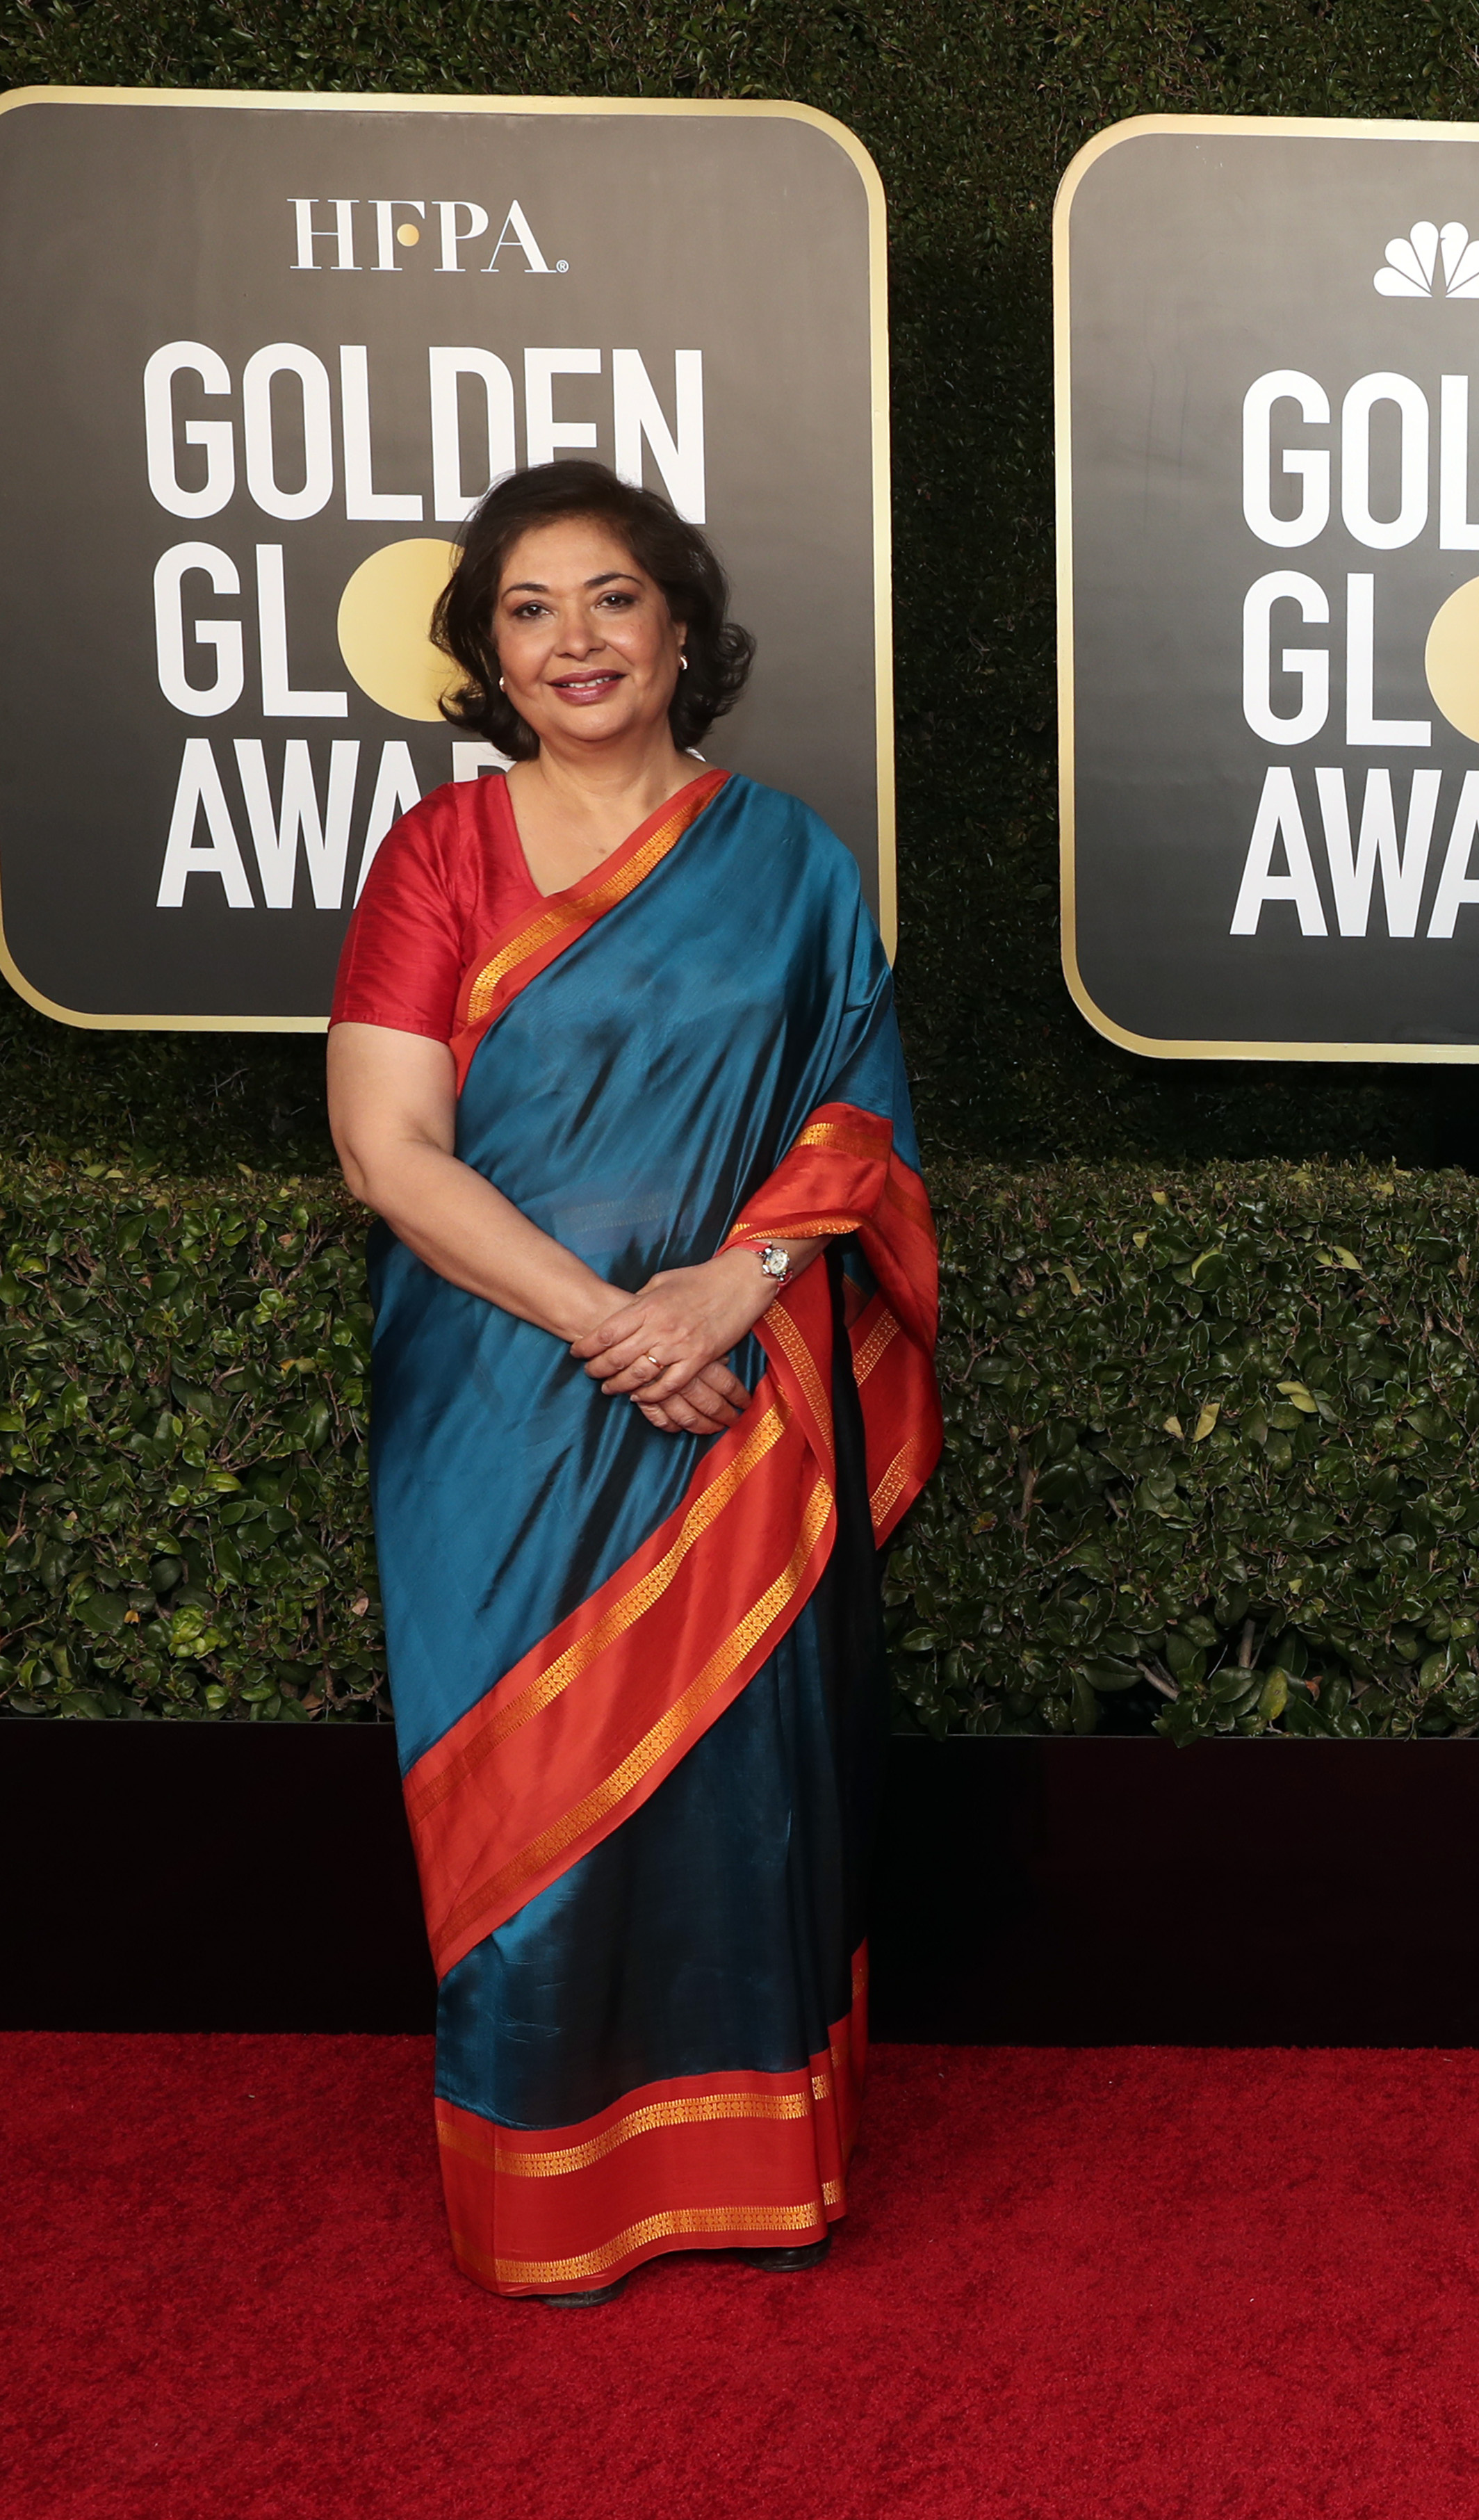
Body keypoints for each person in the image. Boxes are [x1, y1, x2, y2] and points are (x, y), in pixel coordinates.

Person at [327, 461, 941, 2304]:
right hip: (503, 1392)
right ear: (487, 658)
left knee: (739, 1779)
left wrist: (729, 1290)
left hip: (739, 1395)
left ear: (682, 628)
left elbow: (857, 1123)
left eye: (614, 599)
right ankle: (546, 2187)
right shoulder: (438, 858)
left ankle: (752, 2164)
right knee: (527, 1780)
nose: (578, 639)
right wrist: (610, 1320)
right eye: (532, 609)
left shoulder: (793, 862)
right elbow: (389, 1145)